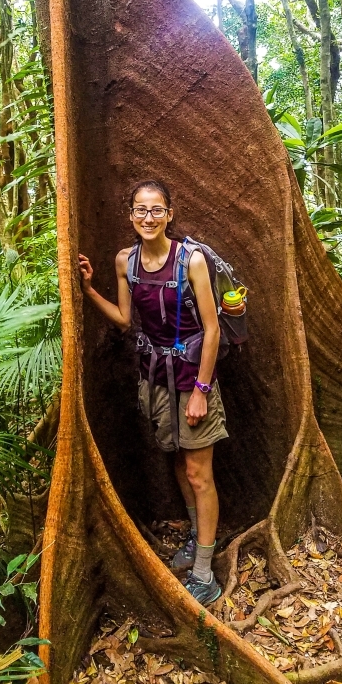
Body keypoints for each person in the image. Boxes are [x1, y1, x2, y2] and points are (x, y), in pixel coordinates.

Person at [78, 179, 228, 605]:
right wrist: (89, 291)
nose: (148, 217)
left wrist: (201, 389)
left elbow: (212, 329)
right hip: (156, 378)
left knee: (200, 473)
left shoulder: (191, 260)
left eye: (156, 210)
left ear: (169, 214)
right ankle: (198, 541)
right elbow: (126, 320)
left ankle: (204, 572)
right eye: (140, 210)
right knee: (181, 465)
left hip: (192, 378)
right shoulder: (126, 261)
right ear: (131, 215)